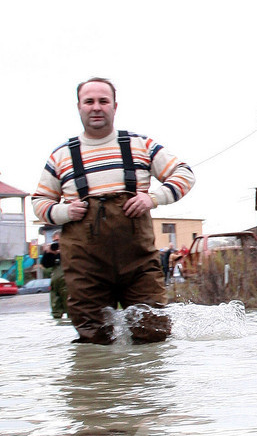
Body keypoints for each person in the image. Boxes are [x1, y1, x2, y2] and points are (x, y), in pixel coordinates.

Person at [32, 78, 195, 343]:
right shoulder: (60, 156)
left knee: (153, 334)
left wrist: (152, 198)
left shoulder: (141, 145)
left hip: (139, 266)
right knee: (93, 343)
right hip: (86, 273)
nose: (96, 107)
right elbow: (40, 202)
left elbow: (185, 174)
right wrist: (65, 212)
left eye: (103, 101)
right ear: (79, 107)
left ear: (114, 106)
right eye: (89, 102)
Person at [41, 240, 68, 319]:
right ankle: (57, 318)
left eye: (57, 241)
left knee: (69, 301)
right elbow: (46, 264)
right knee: (55, 302)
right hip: (56, 281)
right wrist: (47, 253)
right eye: (54, 241)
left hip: (67, 280)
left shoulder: (70, 249)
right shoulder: (53, 253)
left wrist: (61, 252)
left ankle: (71, 319)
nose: (56, 245)